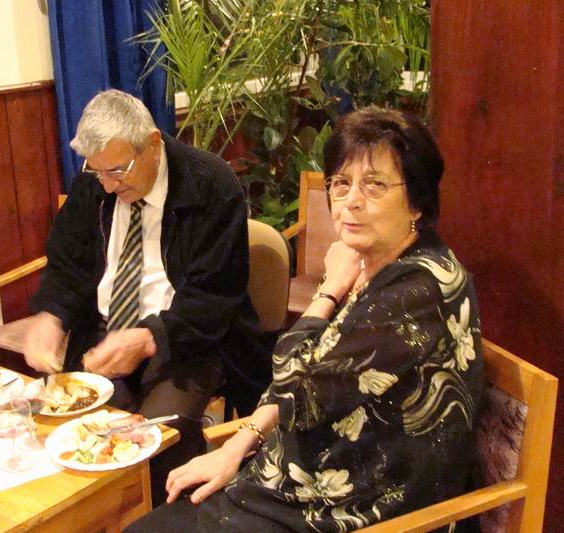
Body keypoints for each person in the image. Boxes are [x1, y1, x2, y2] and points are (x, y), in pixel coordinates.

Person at [127, 107, 484, 532]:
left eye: (374, 184)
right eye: (341, 183)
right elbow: (307, 377)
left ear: (417, 202)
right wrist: (238, 445)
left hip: (354, 508)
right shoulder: (382, 264)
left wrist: (329, 290)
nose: (351, 200)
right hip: (300, 477)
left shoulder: (418, 290)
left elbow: (296, 386)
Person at [23, 90, 270, 504]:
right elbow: (67, 264)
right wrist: (51, 316)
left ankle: (172, 518)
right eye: (97, 171)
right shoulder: (95, 184)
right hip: (104, 336)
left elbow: (214, 295)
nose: (107, 184)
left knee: (154, 438)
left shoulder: (209, 184)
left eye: (117, 170)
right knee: (77, 432)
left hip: (187, 341)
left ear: (153, 143)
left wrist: (148, 337)